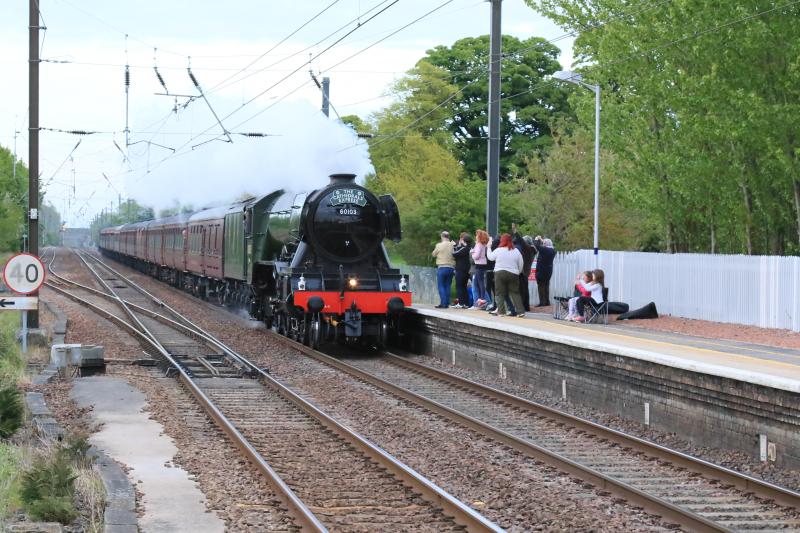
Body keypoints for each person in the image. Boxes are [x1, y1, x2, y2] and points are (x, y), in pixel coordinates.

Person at [486, 234, 525, 317]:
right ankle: (520, 311)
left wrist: (489, 247)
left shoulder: (499, 250)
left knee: (499, 293)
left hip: (499, 273)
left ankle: (501, 311)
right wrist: (518, 271)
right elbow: (521, 263)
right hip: (513, 273)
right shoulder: (516, 251)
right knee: (515, 293)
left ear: (502, 241)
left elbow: (490, 257)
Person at [511, 224, 534, 312]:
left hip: (523, 271)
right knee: (525, 289)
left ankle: (523, 307)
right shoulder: (532, 249)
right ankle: (526, 306)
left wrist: (515, 232)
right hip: (526, 271)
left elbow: (521, 241)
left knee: (522, 290)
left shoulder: (528, 249)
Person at [431, 231, 456, 308]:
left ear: (442, 236)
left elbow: (433, 254)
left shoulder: (439, 245)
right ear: (448, 236)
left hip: (442, 267)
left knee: (441, 286)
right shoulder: (453, 245)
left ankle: (443, 303)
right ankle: (447, 303)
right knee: (448, 285)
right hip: (451, 268)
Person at [531, 236, 556, 307]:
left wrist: (536, 239)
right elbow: (544, 245)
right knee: (546, 286)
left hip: (541, 271)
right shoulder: (552, 250)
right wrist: (542, 240)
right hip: (548, 271)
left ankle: (542, 302)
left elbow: (536, 245)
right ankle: (547, 301)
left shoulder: (545, 250)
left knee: (541, 286)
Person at [452, 232, 473, 309]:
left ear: (464, 241)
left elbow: (454, 254)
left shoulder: (465, 248)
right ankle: (466, 303)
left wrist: (454, 245)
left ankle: (461, 303)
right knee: (464, 287)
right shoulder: (470, 248)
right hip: (467, 270)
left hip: (461, 269)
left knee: (459, 286)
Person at [470, 230, 490, 309]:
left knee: (480, 282)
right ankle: (480, 300)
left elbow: (476, 256)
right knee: (477, 282)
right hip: (483, 264)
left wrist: (472, 253)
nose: (476, 236)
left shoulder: (478, 244)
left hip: (479, 264)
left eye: (477, 235)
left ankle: (482, 299)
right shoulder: (483, 244)